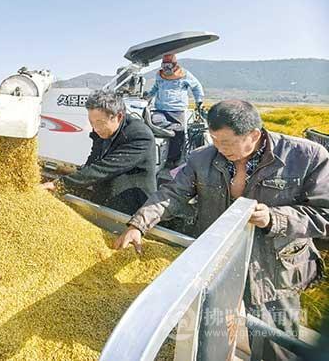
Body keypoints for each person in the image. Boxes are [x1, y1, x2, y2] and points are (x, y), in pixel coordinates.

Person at [114, 100, 329, 361]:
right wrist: (139, 223)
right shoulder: (202, 158)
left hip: (274, 269)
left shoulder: (306, 157)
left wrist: (274, 218)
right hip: (219, 264)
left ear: (254, 135)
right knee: (211, 335)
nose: (219, 148)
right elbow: (173, 194)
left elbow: (324, 214)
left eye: (226, 142)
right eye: (214, 140)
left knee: (274, 344)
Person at [41, 89, 157, 215]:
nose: (95, 129)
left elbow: (105, 168)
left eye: (100, 123)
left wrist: (59, 185)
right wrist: (77, 178)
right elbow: (93, 160)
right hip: (104, 196)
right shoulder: (101, 131)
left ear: (118, 117)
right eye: (91, 122)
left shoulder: (139, 135)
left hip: (131, 204)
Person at [146, 53, 204, 168]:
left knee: (178, 136)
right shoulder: (159, 75)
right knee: (155, 122)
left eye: (168, 66)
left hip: (177, 110)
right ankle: (173, 127)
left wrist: (199, 101)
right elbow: (155, 88)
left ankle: (173, 160)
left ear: (175, 65)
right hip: (160, 109)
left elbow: (196, 87)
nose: (166, 69)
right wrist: (148, 97)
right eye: (164, 66)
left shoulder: (184, 74)